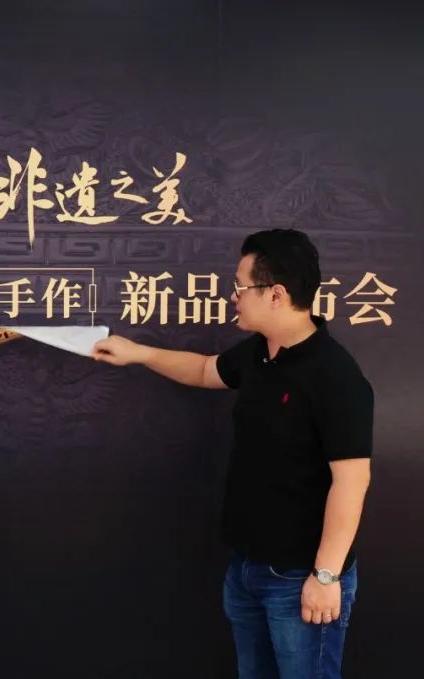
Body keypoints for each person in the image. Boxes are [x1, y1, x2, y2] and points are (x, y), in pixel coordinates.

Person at [92, 229, 373, 678]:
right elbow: (207, 370)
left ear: (276, 294)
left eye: (240, 287)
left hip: (299, 578)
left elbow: (352, 482)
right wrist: (138, 353)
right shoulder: (261, 353)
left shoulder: (335, 376)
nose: (233, 297)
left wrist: (325, 577)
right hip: (246, 568)